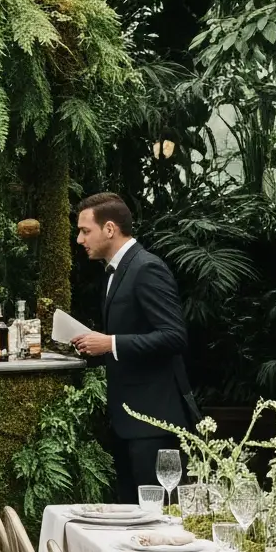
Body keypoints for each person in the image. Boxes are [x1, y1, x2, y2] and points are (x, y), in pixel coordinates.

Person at [70, 191, 196, 498]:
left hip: (155, 425)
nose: (79, 239)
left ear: (109, 229)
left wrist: (109, 342)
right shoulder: (114, 273)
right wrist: (92, 345)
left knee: (162, 520)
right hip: (129, 423)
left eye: (85, 231)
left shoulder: (146, 268)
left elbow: (174, 336)